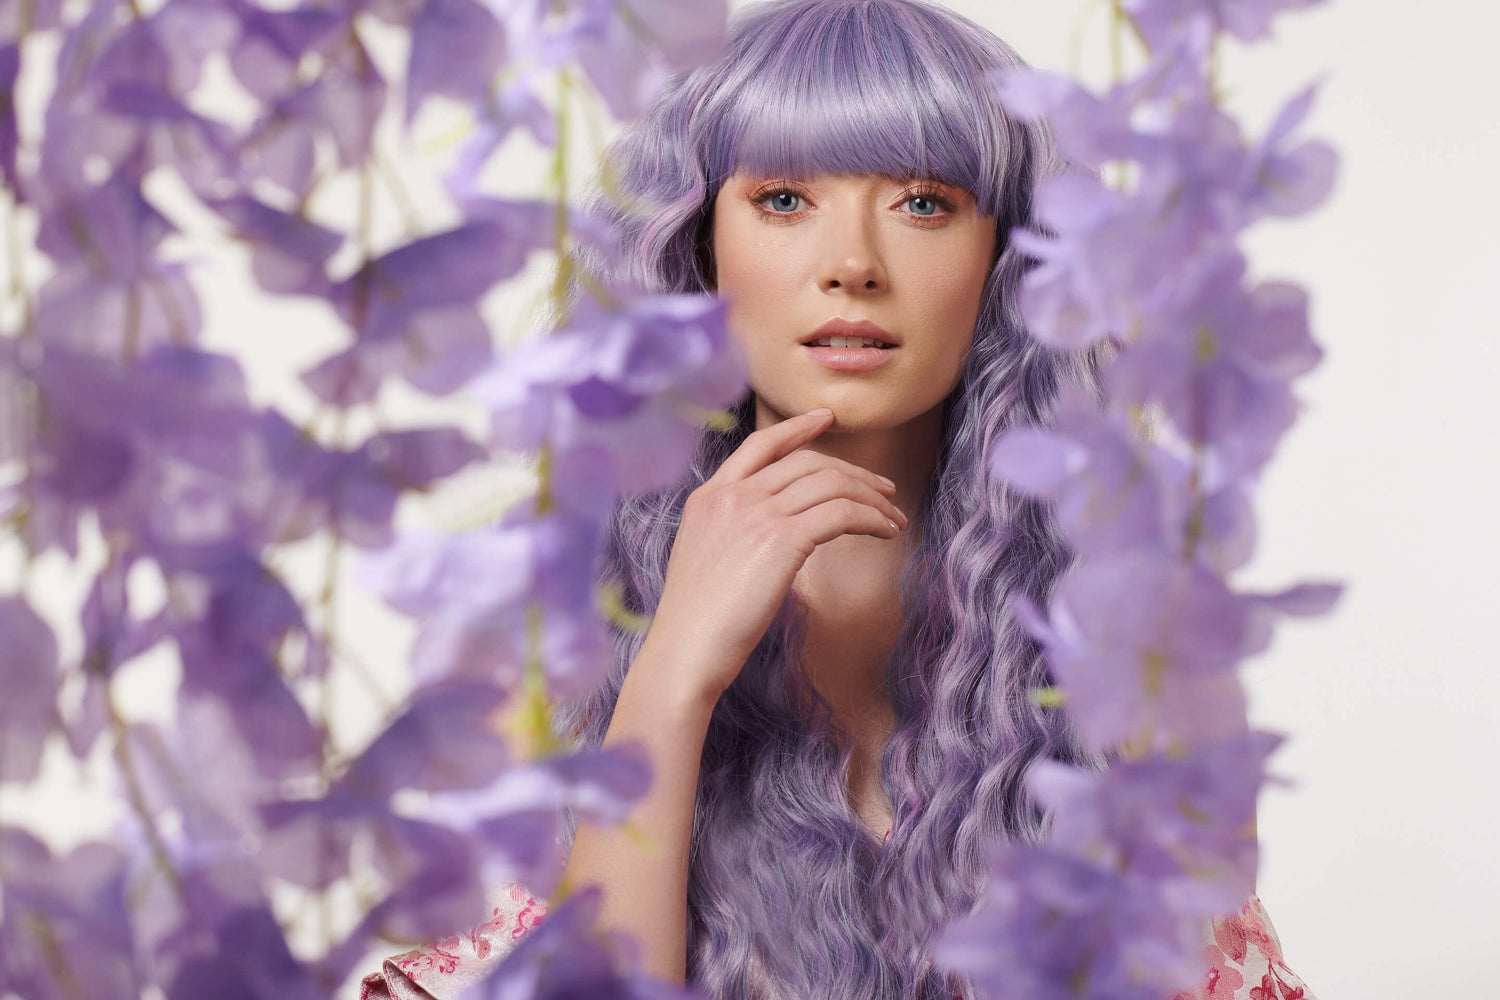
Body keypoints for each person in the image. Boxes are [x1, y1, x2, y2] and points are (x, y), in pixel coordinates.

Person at [362, 1, 1318, 998]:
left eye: (923, 202)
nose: (853, 264)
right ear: (699, 249)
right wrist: (669, 677)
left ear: (1008, 259)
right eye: (783, 199)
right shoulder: (536, 662)